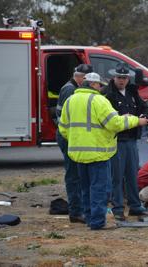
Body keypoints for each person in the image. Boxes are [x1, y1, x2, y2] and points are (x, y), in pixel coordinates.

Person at [58, 72, 148, 230]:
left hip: (78, 154)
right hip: (97, 154)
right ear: (94, 85)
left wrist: (78, 140)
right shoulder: (99, 100)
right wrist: (137, 120)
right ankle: (98, 222)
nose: (101, 88)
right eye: (100, 85)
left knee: (85, 188)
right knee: (100, 189)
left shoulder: (70, 100)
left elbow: (63, 129)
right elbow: (114, 124)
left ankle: (88, 218)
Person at [103, 62, 148, 221]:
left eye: (124, 77)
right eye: (119, 77)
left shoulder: (132, 92)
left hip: (131, 139)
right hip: (116, 140)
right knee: (117, 176)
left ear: (128, 79)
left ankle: (135, 206)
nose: (121, 80)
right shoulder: (107, 94)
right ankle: (117, 208)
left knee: (132, 174)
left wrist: (142, 116)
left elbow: (143, 107)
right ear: (113, 77)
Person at [55, 64, 93, 223]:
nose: (89, 82)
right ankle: (76, 212)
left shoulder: (70, 88)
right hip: (69, 138)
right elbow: (65, 119)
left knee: (77, 174)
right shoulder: (70, 90)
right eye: (86, 79)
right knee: (74, 176)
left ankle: (79, 209)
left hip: (70, 137)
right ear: (78, 77)